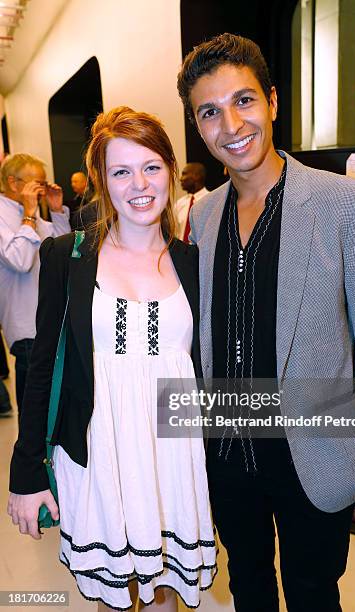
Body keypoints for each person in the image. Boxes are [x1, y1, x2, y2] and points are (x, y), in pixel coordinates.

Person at [177, 33, 355, 612]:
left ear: (273, 102)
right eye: (210, 112)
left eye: (244, 101)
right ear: (198, 126)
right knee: (248, 588)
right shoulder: (203, 214)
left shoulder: (345, 204)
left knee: (312, 595)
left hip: (315, 450)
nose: (231, 124)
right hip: (227, 452)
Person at [8, 107, 217, 612]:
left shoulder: (195, 261)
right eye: (121, 171)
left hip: (173, 455)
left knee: (167, 591)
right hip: (100, 453)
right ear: (102, 181)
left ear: (170, 168)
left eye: (151, 166)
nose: (139, 184)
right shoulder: (68, 256)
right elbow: (41, 371)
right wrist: (26, 473)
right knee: (115, 596)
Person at [0, 153, 70, 413]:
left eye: (43, 184)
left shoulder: (30, 214)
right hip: (26, 325)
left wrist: (55, 211)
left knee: (55, 405)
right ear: (13, 183)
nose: (40, 190)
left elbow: (64, 256)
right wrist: (30, 215)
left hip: (49, 319)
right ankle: (33, 455)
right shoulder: (8, 214)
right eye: (35, 184)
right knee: (35, 410)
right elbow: (20, 260)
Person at [174, 163, 208, 241]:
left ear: (196, 176)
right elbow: (175, 233)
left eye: (184, 174)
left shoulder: (212, 201)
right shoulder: (179, 204)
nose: (181, 179)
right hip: (182, 251)